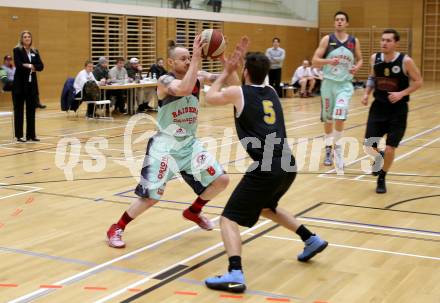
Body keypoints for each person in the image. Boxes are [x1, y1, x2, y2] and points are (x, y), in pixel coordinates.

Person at [203, 38, 328, 293]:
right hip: (287, 164)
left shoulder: (240, 92)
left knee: (228, 219)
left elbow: (211, 98)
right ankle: (310, 239)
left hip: (266, 166)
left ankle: (235, 273)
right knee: (266, 207)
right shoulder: (270, 91)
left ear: (246, 72)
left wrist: (226, 71)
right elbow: (241, 90)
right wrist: (231, 67)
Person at [106, 36, 230, 248]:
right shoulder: (165, 81)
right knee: (151, 198)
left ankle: (194, 211)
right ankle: (117, 227)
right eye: (184, 58)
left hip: (189, 144)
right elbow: (182, 89)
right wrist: (198, 59)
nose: (188, 61)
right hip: (164, 146)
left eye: (189, 57)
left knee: (222, 181)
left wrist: (229, 64)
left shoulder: (197, 76)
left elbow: (226, 80)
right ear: (171, 62)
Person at [362, 29, 422, 193]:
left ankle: (382, 178)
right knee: (369, 144)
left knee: (390, 148)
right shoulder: (375, 58)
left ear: (396, 43)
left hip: (398, 110)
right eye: (382, 40)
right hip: (378, 108)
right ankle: (378, 158)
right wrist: (366, 93)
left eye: (388, 40)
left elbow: (418, 81)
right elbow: (372, 77)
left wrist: (401, 93)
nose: (384, 43)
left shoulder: (405, 61)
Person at [312, 11, 363, 173]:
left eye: (342, 20)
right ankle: (328, 149)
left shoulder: (354, 41)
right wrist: (328, 61)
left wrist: (357, 66)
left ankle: (338, 151)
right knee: (328, 119)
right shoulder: (327, 40)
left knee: (340, 113)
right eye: (337, 20)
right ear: (334, 23)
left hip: (344, 85)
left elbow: (360, 59)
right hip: (328, 84)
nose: (339, 22)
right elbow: (314, 61)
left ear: (347, 23)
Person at [12, 30, 44, 142]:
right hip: (20, 85)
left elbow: (41, 66)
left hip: (31, 85)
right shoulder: (17, 50)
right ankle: (19, 135)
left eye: (29, 37)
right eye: (25, 37)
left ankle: (31, 135)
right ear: (21, 39)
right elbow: (19, 65)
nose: (27, 38)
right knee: (19, 111)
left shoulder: (35, 51)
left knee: (31, 110)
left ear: (31, 39)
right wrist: (31, 66)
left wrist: (30, 65)